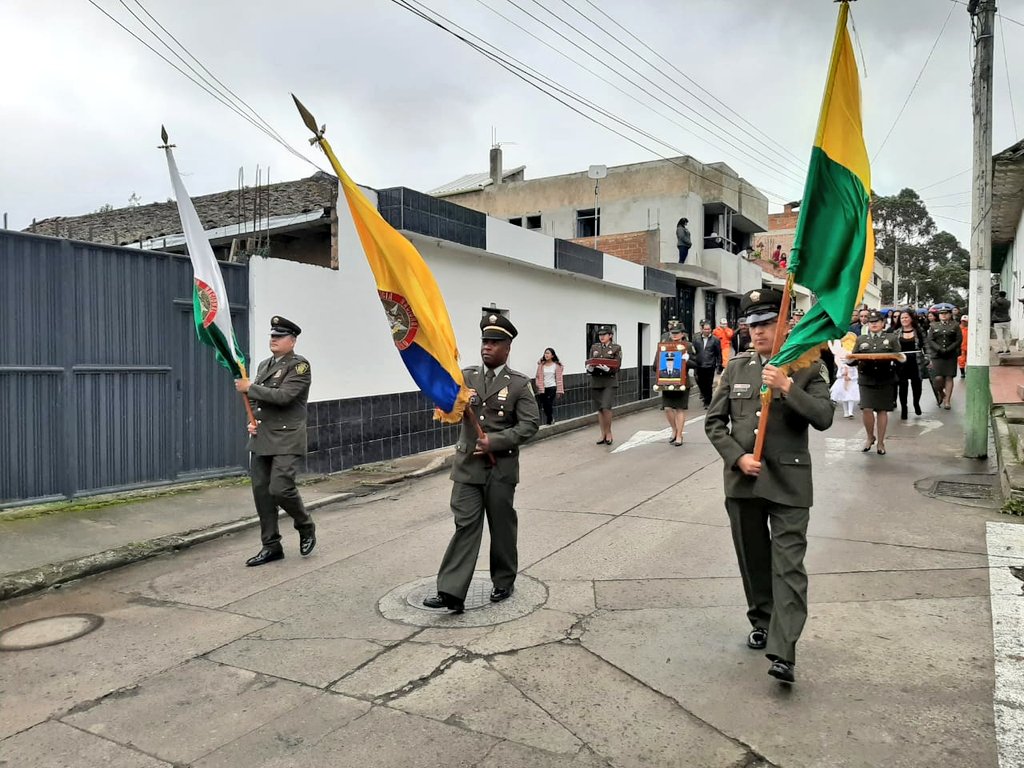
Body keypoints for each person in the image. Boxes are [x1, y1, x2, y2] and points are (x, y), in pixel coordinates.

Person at [705, 288, 834, 685]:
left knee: (788, 565)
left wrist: (787, 386)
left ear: (785, 324)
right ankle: (762, 620)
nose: (758, 331)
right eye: (752, 324)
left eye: (766, 323)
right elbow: (714, 423)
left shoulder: (809, 365)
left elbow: (823, 417)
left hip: (789, 482)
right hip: (744, 480)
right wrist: (737, 457)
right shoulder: (737, 367)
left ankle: (784, 649)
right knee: (753, 559)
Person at [423, 313, 540, 613]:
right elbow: (448, 411)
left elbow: (530, 425)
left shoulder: (518, 384)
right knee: (465, 525)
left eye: (494, 342)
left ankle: (503, 580)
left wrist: (496, 441)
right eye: (485, 341)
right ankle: (451, 591)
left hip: (500, 468)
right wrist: (450, 403)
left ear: (507, 348)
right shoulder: (465, 377)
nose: (487, 346)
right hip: (467, 467)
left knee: (501, 528)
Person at [235, 316, 316, 567]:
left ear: (292, 341)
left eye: (279, 336)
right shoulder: (264, 364)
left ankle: (305, 524)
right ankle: (271, 546)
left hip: (287, 437)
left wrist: (250, 387)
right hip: (262, 436)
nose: (274, 339)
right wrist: (252, 420)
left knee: (280, 489)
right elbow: (257, 402)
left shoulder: (299, 366)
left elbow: (284, 397)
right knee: (262, 493)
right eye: (272, 335)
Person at [848, 310, 905, 455]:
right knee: (866, 408)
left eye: (877, 322)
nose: (873, 324)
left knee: (881, 410)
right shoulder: (861, 339)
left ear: (883, 323)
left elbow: (899, 358)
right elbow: (854, 358)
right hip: (866, 377)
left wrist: (899, 360)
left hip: (885, 377)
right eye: (871, 322)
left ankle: (880, 442)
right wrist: (848, 359)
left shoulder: (891, 338)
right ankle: (869, 437)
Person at [658, 323, 695, 445]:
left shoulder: (688, 346)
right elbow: (655, 364)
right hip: (667, 380)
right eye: (672, 333)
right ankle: (674, 429)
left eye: (677, 333)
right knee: (667, 408)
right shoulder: (664, 346)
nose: (674, 335)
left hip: (682, 381)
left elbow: (696, 363)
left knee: (680, 408)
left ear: (682, 334)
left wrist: (687, 360)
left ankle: (679, 435)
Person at [588, 326, 622, 445]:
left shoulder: (616, 348)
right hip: (596, 380)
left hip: (609, 381)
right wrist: (590, 369)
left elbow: (618, 365)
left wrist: (609, 369)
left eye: (604, 334)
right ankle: (602, 434)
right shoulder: (594, 347)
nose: (601, 337)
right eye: (600, 335)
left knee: (606, 407)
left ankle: (609, 432)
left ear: (610, 335)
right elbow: (591, 361)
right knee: (600, 409)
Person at [926, 307, 962, 410]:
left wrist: (949, 349)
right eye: (941, 314)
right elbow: (930, 339)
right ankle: (941, 393)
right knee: (938, 378)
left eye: (946, 313)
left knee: (949, 377)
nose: (944, 315)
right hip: (937, 355)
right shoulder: (933, 325)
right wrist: (939, 349)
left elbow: (958, 339)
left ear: (950, 315)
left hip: (950, 355)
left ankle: (947, 400)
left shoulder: (955, 325)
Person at [895, 309, 925, 419]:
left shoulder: (919, 331)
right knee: (902, 386)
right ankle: (904, 408)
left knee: (917, 384)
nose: (904, 319)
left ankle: (916, 403)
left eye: (906, 317)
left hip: (916, 361)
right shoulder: (896, 332)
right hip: (901, 362)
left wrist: (928, 358)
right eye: (902, 318)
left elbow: (926, 345)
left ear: (911, 318)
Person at [692, 321, 722, 408]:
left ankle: (707, 401)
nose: (707, 331)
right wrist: (694, 360)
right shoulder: (696, 339)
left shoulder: (715, 340)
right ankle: (704, 394)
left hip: (710, 365)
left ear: (711, 330)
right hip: (699, 364)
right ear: (702, 329)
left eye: (708, 329)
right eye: (705, 329)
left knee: (708, 384)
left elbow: (718, 353)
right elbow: (693, 351)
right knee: (701, 382)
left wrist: (719, 365)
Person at [828, 338, 859, 418]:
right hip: (842, 383)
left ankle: (850, 412)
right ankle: (845, 412)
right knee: (844, 398)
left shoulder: (853, 368)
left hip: (851, 384)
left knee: (850, 398)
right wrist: (843, 375)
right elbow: (838, 375)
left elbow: (856, 375)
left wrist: (851, 378)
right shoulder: (841, 367)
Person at [534, 348, 564, 426]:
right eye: (545, 353)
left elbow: (559, 379)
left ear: (552, 355)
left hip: (552, 387)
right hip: (543, 388)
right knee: (544, 405)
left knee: (548, 403)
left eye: (548, 353)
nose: (546, 355)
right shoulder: (541, 365)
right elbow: (537, 376)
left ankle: (549, 420)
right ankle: (551, 418)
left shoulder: (556, 366)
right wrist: (538, 384)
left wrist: (559, 391)